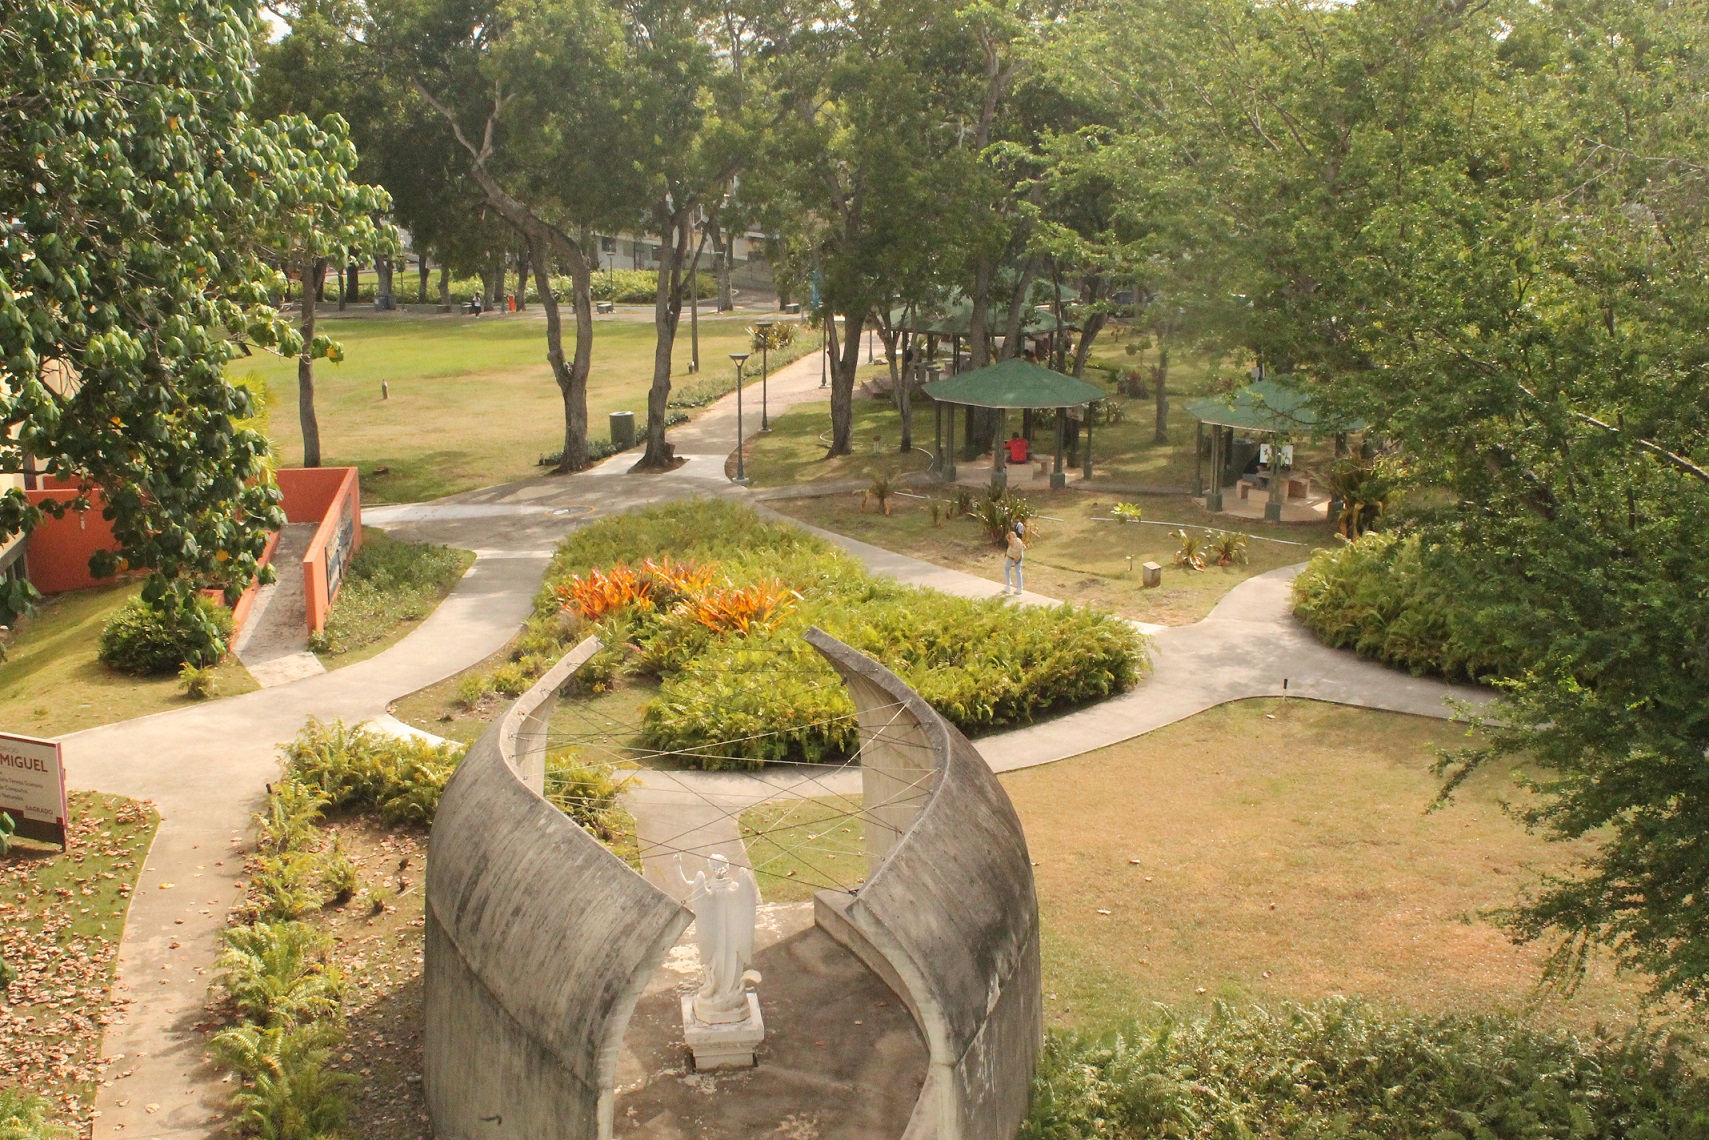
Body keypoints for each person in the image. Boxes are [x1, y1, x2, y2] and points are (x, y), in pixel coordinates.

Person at [1004, 520, 1026, 595]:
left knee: (1013, 570)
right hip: (1014, 557)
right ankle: (1013, 586)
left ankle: (1014, 587)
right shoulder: (1014, 542)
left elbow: (1019, 549)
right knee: (1011, 569)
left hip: (1016, 557)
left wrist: (1017, 557)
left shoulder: (1017, 542)